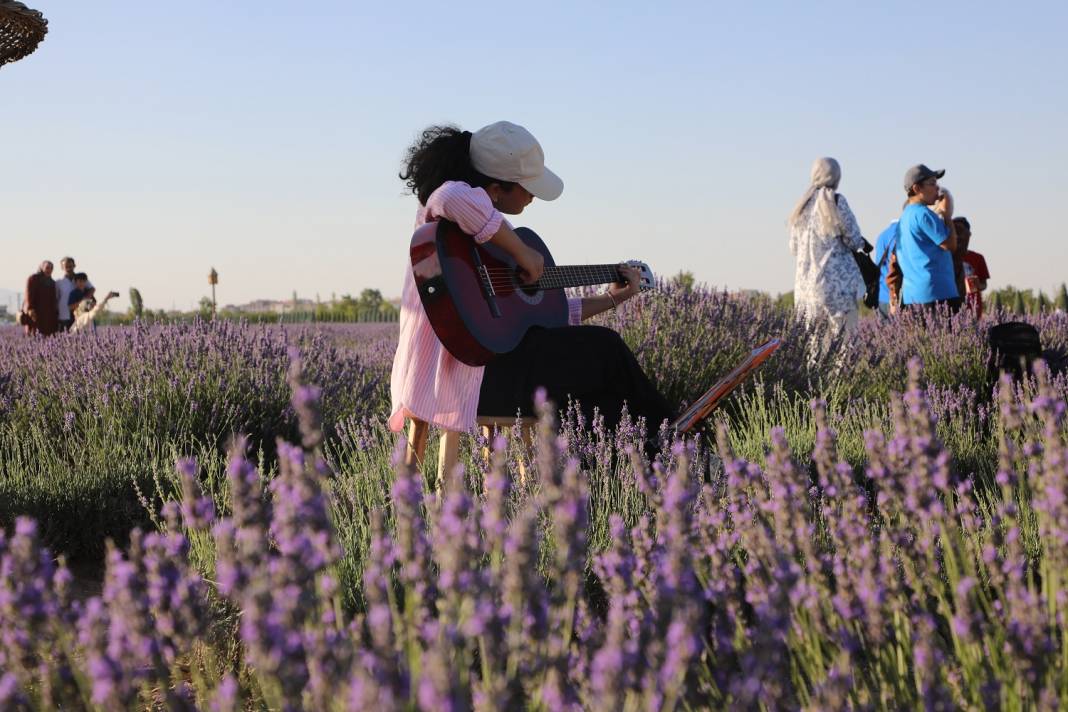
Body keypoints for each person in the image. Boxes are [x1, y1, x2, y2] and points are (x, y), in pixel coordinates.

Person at [389, 121, 673, 445]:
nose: (533, 198)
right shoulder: (446, 219)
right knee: (605, 349)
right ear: (495, 189)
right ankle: (680, 442)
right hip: (458, 383)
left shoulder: (491, 241)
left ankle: (647, 469)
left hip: (489, 376)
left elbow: (547, 316)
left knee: (601, 389)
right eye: (528, 188)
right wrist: (522, 251)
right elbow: (451, 195)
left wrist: (613, 299)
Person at [787, 157, 865, 338]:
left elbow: (794, 249)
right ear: (837, 177)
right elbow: (854, 240)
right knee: (846, 349)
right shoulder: (836, 201)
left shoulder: (800, 208)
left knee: (815, 351)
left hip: (807, 293)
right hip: (839, 291)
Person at [896, 165, 959, 311]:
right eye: (932, 183)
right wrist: (946, 215)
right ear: (917, 189)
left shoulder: (905, 217)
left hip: (912, 294)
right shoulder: (924, 214)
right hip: (937, 292)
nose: (937, 188)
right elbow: (950, 245)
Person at [952, 217, 990, 318]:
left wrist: (977, 285)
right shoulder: (945, 257)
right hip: (952, 307)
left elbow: (984, 285)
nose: (958, 236)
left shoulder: (978, 258)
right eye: (955, 231)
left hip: (973, 308)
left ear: (968, 235)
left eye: (961, 232)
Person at [22, 261, 59, 336]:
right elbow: (28, 294)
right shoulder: (33, 278)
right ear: (42, 268)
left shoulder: (52, 282)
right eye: (47, 268)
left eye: (51, 268)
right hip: (36, 313)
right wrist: (30, 308)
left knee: (48, 334)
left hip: (48, 315)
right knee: (34, 333)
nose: (49, 270)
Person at [872, 220, 899, 317]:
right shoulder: (903, 234)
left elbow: (879, 264)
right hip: (898, 295)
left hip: (882, 294)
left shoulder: (882, 236)